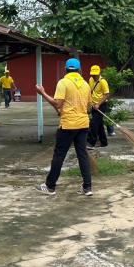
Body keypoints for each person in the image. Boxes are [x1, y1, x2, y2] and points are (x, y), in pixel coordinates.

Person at [35, 58, 93, 196]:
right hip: (83, 124)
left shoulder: (63, 82)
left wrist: (42, 93)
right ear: (79, 70)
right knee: (82, 155)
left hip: (68, 125)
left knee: (59, 155)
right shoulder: (85, 84)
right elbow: (89, 107)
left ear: (66, 69)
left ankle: (50, 187)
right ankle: (87, 187)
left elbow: (58, 104)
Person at [88, 65, 110, 148]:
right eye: (92, 74)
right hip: (94, 105)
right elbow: (90, 91)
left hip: (101, 105)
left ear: (99, 73)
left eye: (95, 74)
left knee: (93, 123)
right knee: (99, 124)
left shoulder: (103, 82)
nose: (93, 76)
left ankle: (91, 143)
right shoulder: (90, 80)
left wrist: (98, 104)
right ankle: (104, 142)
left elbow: (107, 94)